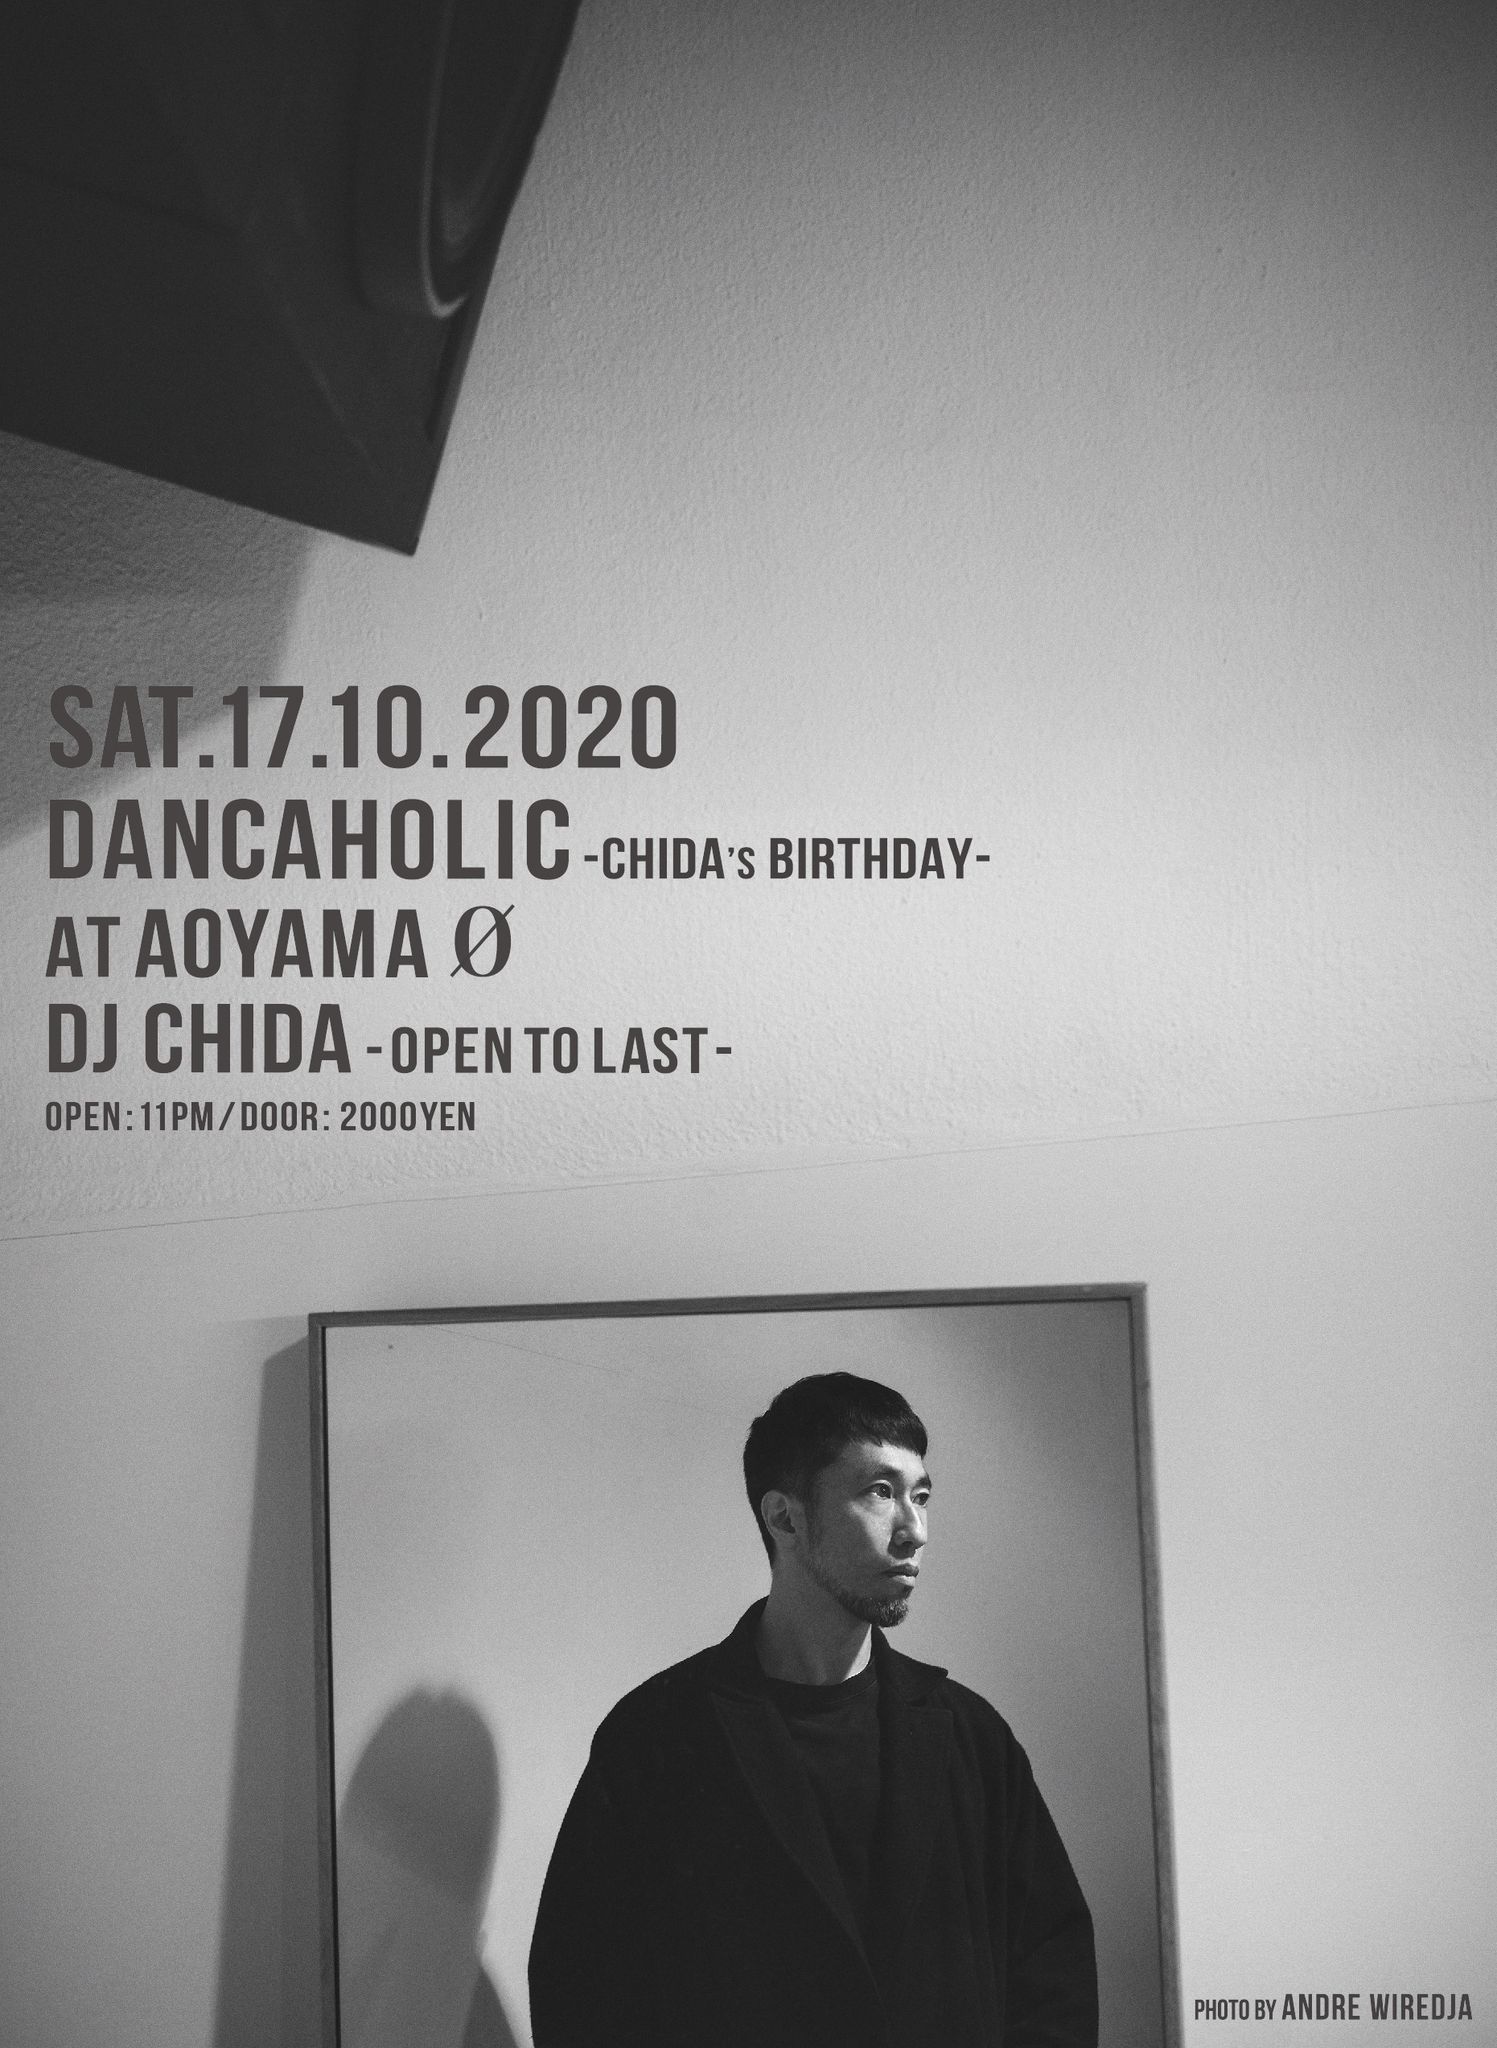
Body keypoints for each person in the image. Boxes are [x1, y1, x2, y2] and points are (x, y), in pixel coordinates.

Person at [528, 1372, 1098, 2048]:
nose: (913, 1531)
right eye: (879, 1492)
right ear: (784, 1518)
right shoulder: (660, 1735)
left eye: (920, 1496)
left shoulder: (972, 1739)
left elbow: (1052, 1973)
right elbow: (583, 1988)